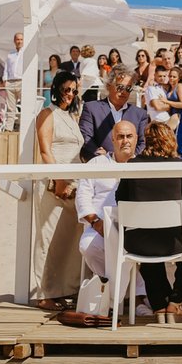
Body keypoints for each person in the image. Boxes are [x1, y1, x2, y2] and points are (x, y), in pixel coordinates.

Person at [116, 122, 182, 324]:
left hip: (138, 241)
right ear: (170, 140)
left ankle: (159, 305)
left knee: (147, 250)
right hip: (173, 241)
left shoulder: (133, 164)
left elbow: (120, 198)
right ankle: (175, 301)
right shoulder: (178, 165)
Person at [75, 120, 148, 313]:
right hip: (101, 226)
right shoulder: (96, 164)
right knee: (88, 247)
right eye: (121, 136)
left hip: (137, 227)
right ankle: (130, 295)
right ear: (112, 139)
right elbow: (82, 196)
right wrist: (95, 221)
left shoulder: (144, 164)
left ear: (136, 139)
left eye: (129, 136)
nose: (125, 141)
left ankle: (130, 297)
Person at [32, 71, 84, 310]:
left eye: (74, 90)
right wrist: (60, 179)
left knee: (68, 240)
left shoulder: (71, 117)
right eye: (66, 89)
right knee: (48, 236)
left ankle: (60, 291)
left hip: (75, 184)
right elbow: (45, 150)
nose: (70, 94)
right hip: (55, 182)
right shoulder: (47, 113)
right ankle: (44, 293)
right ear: (57, 89)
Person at [78, 64, 147, 161]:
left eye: (128, 88)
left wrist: (131, 159)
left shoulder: (140, 114)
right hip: (101, 167)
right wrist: (103, 157)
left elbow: (143, 143)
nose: (124, 92)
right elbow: (85, 137)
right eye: (120, 87)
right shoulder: (91, 108)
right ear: (109, 86)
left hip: (130, 169)